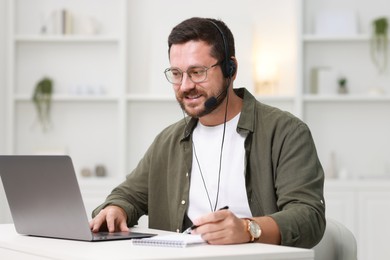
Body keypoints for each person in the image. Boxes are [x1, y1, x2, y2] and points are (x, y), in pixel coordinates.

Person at [90, 17, 325, 248]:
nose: (185, 86)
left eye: (197, 72)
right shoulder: (168, 141)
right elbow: (128, 195)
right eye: (176, 74)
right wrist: (115, 209)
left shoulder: (285, 132)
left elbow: (309, 216)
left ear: (230, 69)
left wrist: (247, 229)